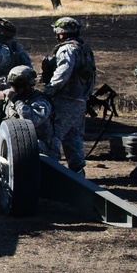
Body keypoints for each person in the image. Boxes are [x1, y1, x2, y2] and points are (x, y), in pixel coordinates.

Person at [0, 65, 58, 158]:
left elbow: (30, 120)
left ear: (28, 85)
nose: (13, 89)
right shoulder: (8, 94)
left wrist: (17, 102)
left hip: (37, 149)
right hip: (11, 143)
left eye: (17, 86)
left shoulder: (41, 101)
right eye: (12, 85)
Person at [42, 17, 96, 174]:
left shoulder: (67, 49)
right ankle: (78, 172)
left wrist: (50, 89)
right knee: (74, 135)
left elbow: (63, 71)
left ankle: (52, 172)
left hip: (65, 98)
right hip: (80, 99)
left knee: (54, 134)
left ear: (61, 33)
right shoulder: (84, 48)